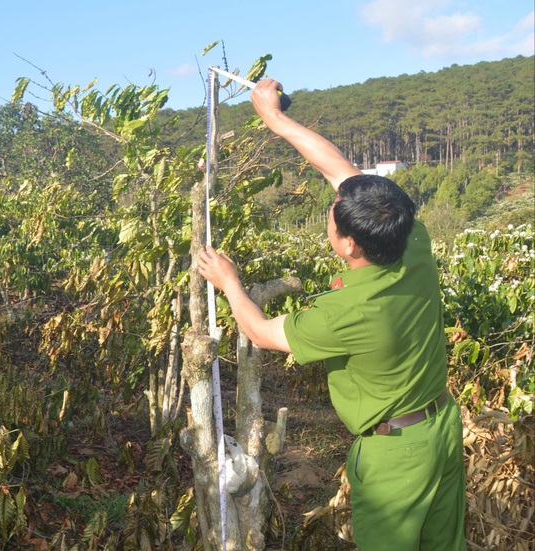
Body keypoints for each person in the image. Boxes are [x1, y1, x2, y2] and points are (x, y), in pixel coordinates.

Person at [197, 79, 466, 550]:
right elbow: (339, 169)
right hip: (441, 425)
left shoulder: (345, 312)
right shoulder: (411, 242)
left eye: (334, 213)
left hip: (395, 457)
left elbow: (259, 331)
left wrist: (229, 282)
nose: (333, 203)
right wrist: (275, 120)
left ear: (348, 244)